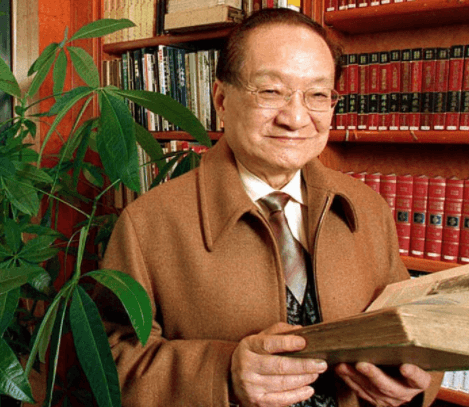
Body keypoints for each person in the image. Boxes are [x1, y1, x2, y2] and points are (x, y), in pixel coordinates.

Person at [100, 8, 443, 407]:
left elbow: (409, 327)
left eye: (318, 95)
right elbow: (109, 362)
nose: (295, 118)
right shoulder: (148, 222)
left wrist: (413, 383)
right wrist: (224, 374)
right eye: (271, 91)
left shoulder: (368, 209)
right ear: (221, 99)